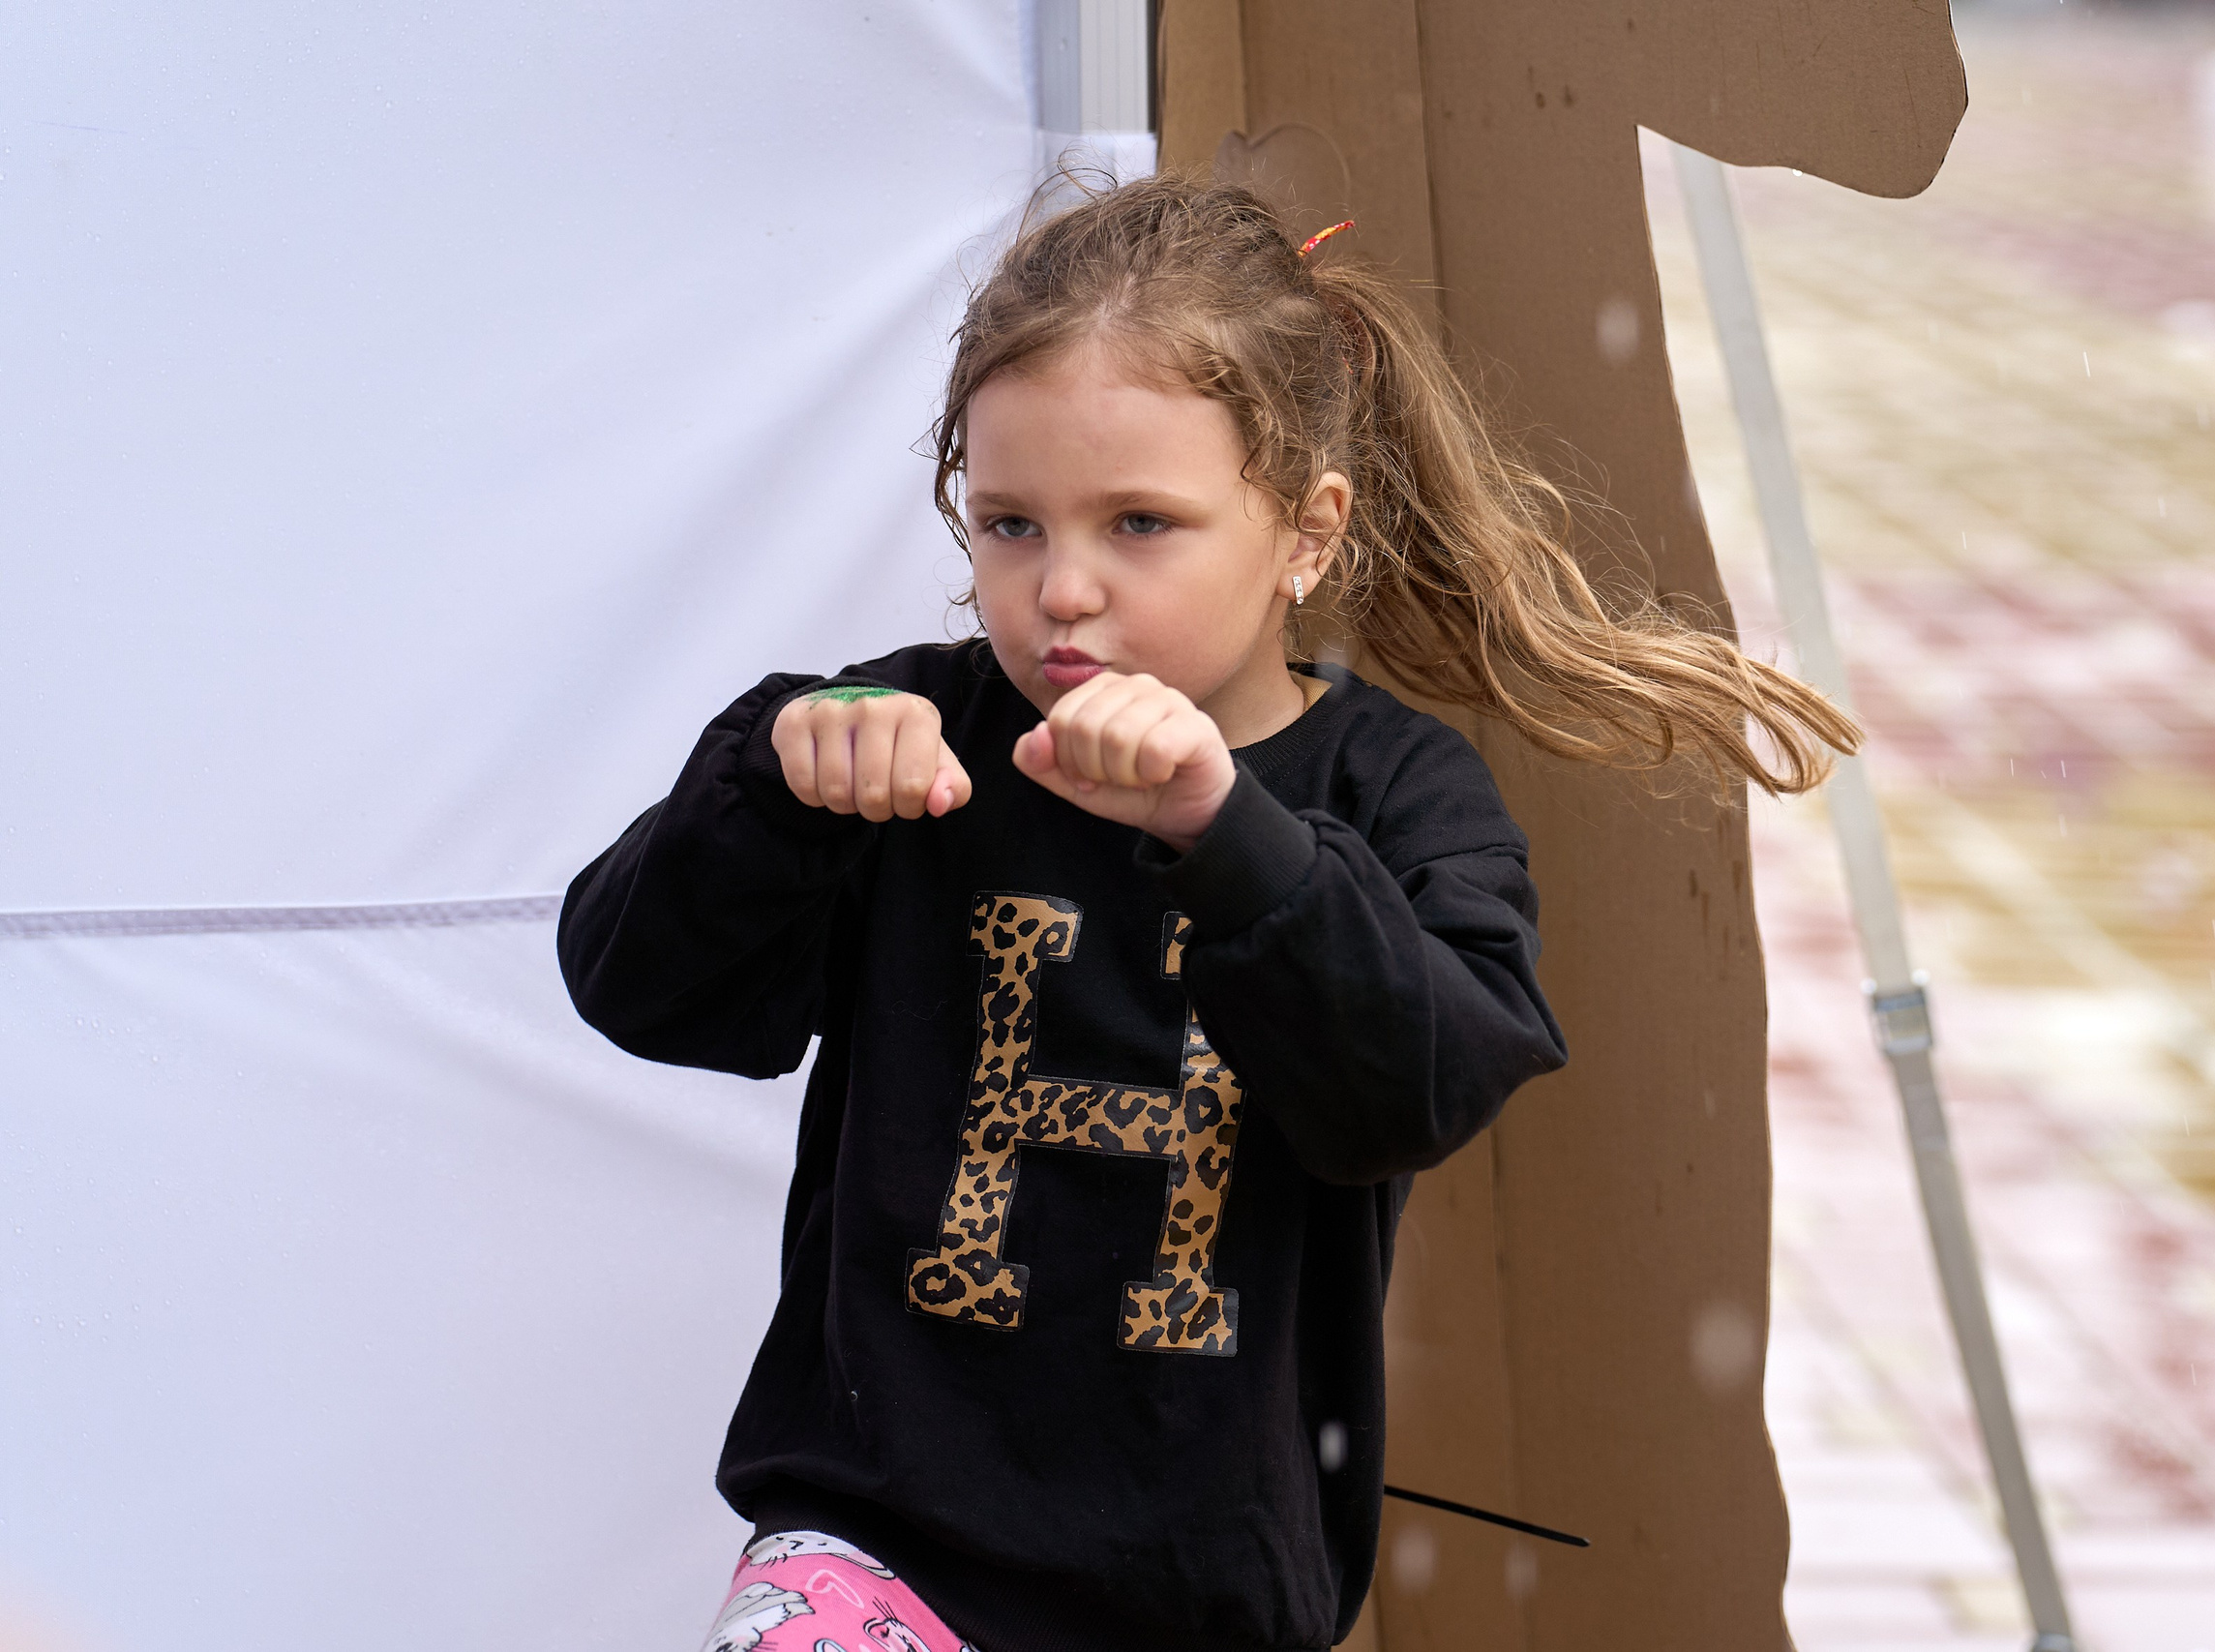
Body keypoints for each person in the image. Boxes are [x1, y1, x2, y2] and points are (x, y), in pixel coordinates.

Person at [558, 172, 1856, 1652]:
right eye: (1009, 524)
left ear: (1306, 533)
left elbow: (1415, 1088)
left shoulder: (1395, 792)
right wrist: (772, 789)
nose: (1064, 590)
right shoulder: (898, 737)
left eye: (1140, 525)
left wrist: (1229, 835)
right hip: (873, 1548)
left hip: (1202, 1590)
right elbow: (643, 994)